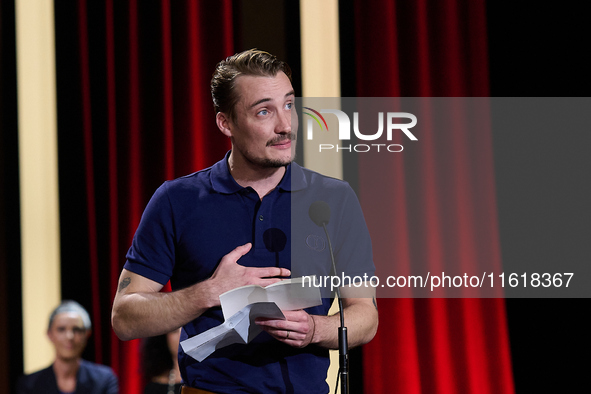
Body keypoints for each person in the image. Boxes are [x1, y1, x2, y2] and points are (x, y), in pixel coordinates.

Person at [111, 49, 378, 393]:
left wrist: (315, 330)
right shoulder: (177, 201)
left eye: (288, 105)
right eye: (264, 111)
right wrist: (209, 292)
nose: (285, 125)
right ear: (226, 123)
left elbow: (365, 316)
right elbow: (124, 318)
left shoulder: (334, 200)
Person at [17, 300, 118, 394]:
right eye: (61, 329)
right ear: (49, 334)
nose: (69, 337)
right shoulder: (29, 384)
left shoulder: (104, 380)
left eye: (77, 329)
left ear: (87, 334)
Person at [141, 329, 183, 394]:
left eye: (185, 331)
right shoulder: (155, 387)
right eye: (175, 331)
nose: (181, 336)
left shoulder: (202, 382)